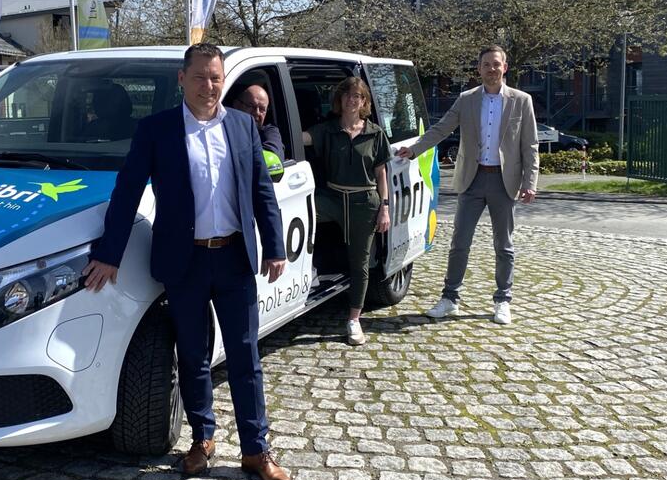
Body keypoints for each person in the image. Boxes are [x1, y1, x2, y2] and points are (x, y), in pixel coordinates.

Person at [82, 43, 292, 480]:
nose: (209, 86)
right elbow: (126, 192)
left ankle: (256, 450)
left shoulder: (241, 127)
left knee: (245, 357)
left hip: (234, 257)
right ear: (182, 79)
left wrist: (274, 246)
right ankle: (203, 438)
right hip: (185, 260)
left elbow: (261, 191)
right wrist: (108, 253)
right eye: (200, 77)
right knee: (193, 356)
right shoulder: (156, 130)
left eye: (216, 78)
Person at [397, 45, 538, 326]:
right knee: (459, 243)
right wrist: (414, 149)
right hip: (472, 179)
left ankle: (503, 300)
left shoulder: (522, 101)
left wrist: (530, 181)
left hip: (504, 181)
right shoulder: (467, 100)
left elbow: (530, 145)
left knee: (504, 245)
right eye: (486, 64)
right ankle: (450, 299)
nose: (491, 69)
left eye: (496, 64)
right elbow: (441, 128)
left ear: (504, 67)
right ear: (479, 69)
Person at [303, 76, 391, 346]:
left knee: (360, 262)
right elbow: (300, 137)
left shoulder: (375, 133)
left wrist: (385, 208)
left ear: (364, 102)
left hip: (364, 201)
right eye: (348, 95)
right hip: (330, 196)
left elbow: (381, 173)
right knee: (296, 218)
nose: (353, 100)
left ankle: (354, 319)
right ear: (340, 100)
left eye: (358, 96)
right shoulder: (326, 130)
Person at [230, 84, 284, 157]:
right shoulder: (224, 129)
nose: (257, 112)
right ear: (236, 105)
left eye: (262, 109)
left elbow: (271, 157)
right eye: (251, 106)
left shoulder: (269, 132)